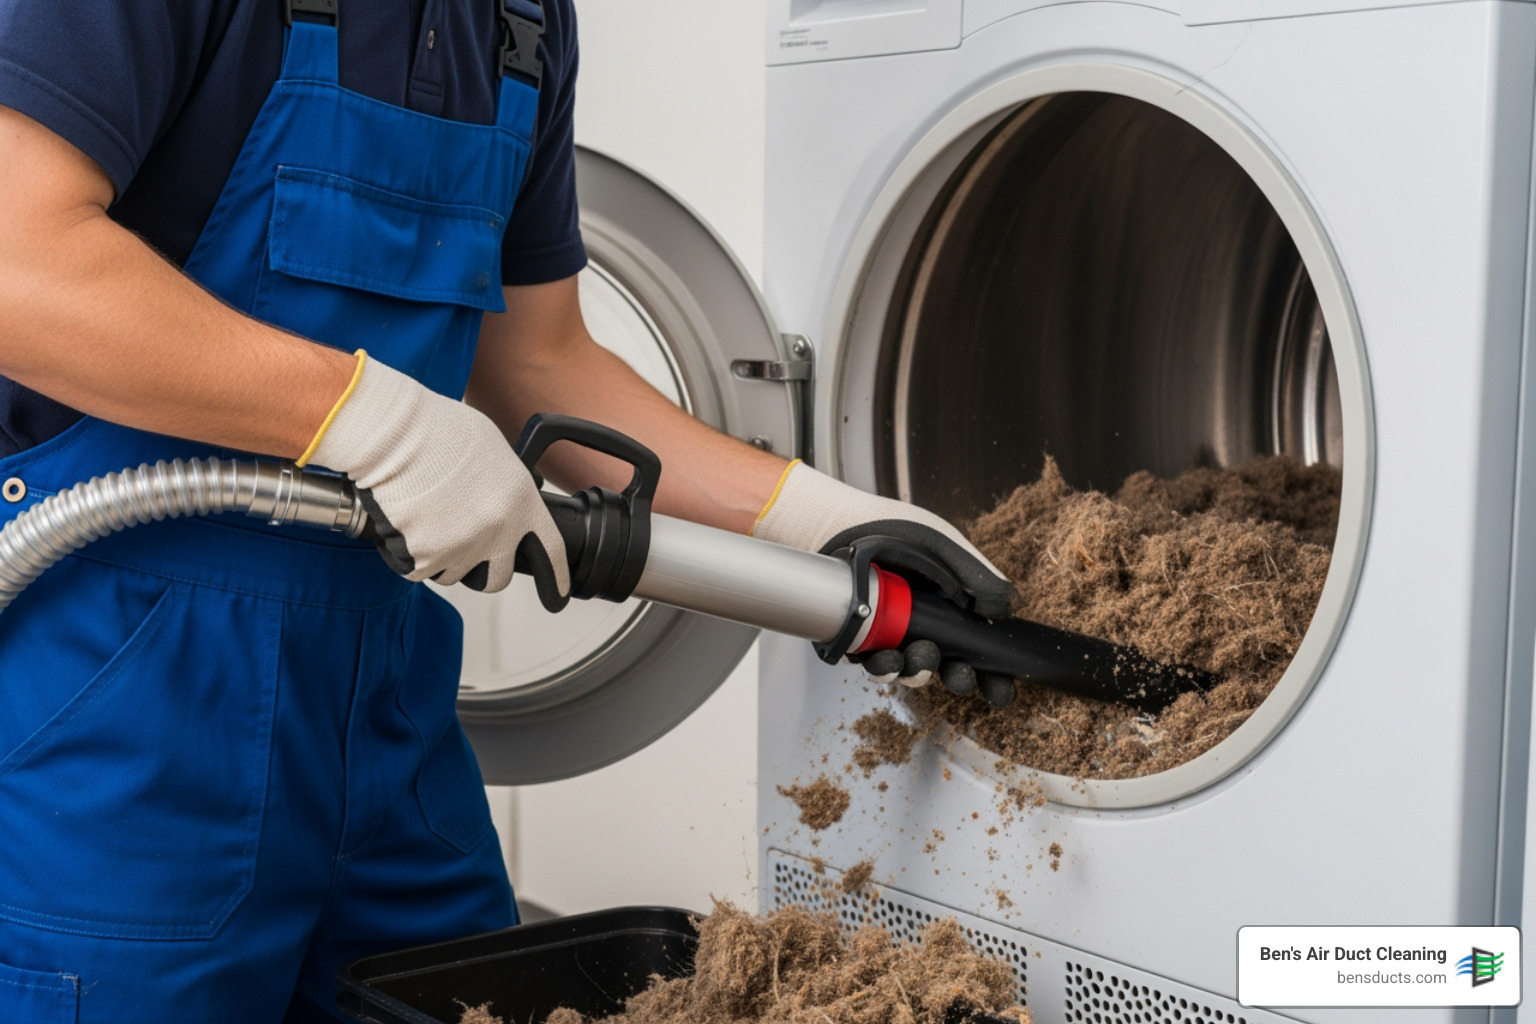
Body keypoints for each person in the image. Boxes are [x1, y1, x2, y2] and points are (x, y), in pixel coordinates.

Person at [0, 1, 1008, 1020]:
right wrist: (369, 421)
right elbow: (18, 265)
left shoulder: (523, 22)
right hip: (120, 714)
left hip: (385, 712)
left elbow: (534, 358)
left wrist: (812, 520)